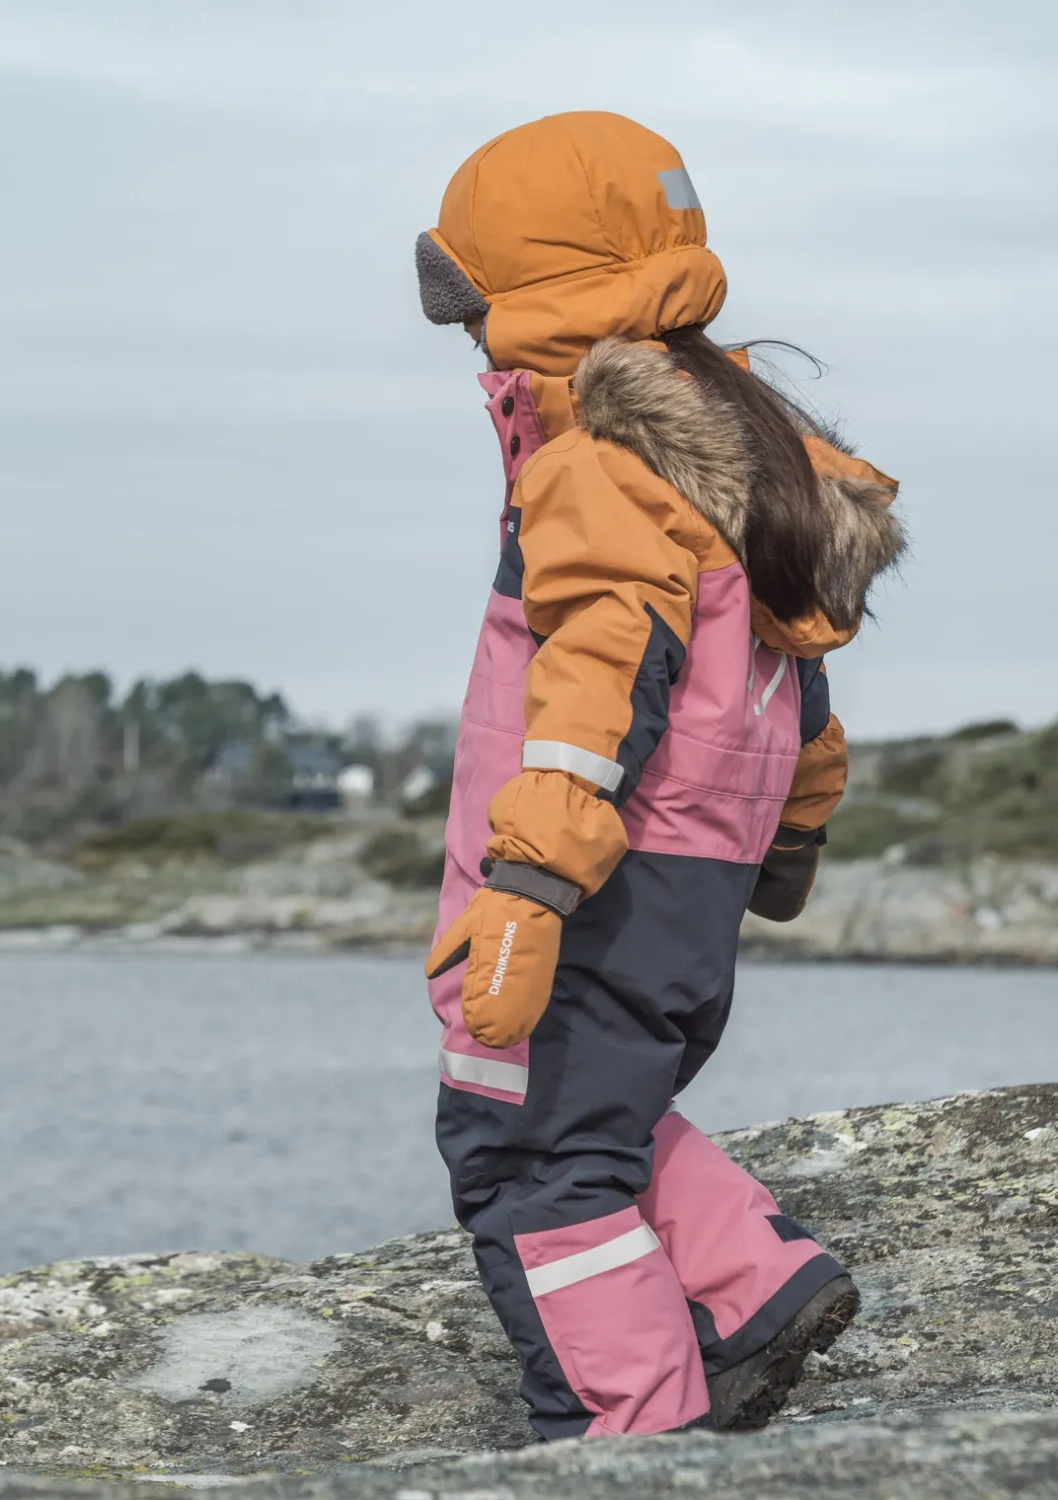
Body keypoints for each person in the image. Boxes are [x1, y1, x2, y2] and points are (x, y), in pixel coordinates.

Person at [415, 111, 904, 1440]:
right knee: (601, 1111)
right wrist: (792, 837)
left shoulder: (599, 466)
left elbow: (599, 682)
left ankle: (630, 1433)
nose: (470, 346)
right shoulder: (737, 448)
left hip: (599, 872)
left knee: (524, 1152)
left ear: (529, 298)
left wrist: (527, 886)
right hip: (688, 881)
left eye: (474, 312)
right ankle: (753, 1282)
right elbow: (793, 682)